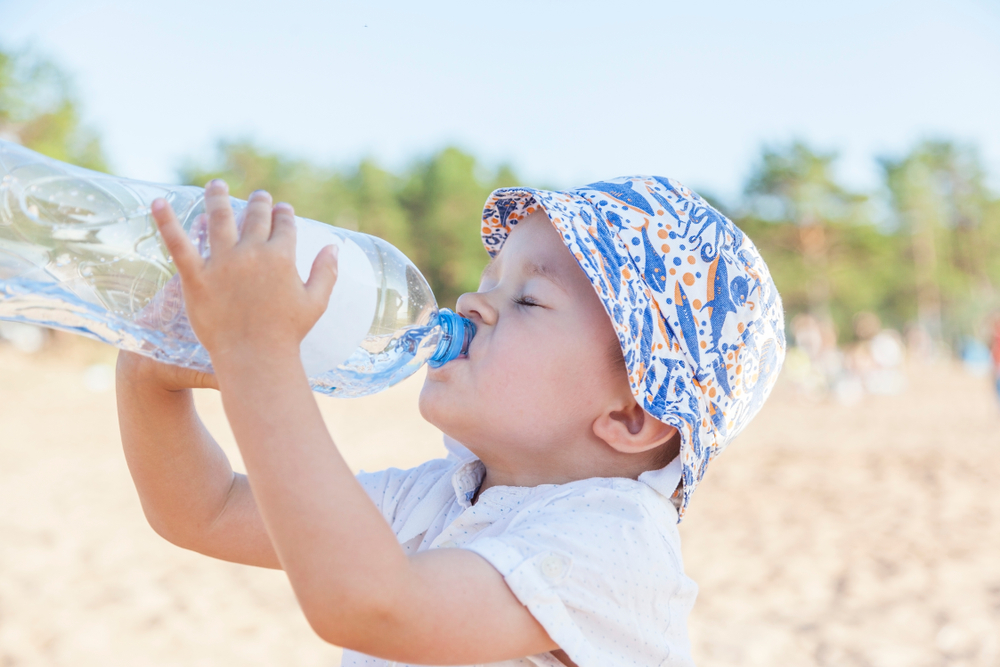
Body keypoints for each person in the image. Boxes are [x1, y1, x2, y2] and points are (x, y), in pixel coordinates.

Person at [116, 176, 785, 667]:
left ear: (633, 415)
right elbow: (202, 510)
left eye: (527, 297)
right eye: (489, 278)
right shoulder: (436, 497)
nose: (474, 300)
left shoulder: (616, 542)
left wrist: (259, 353)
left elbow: (374, 604)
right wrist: (151, 368)